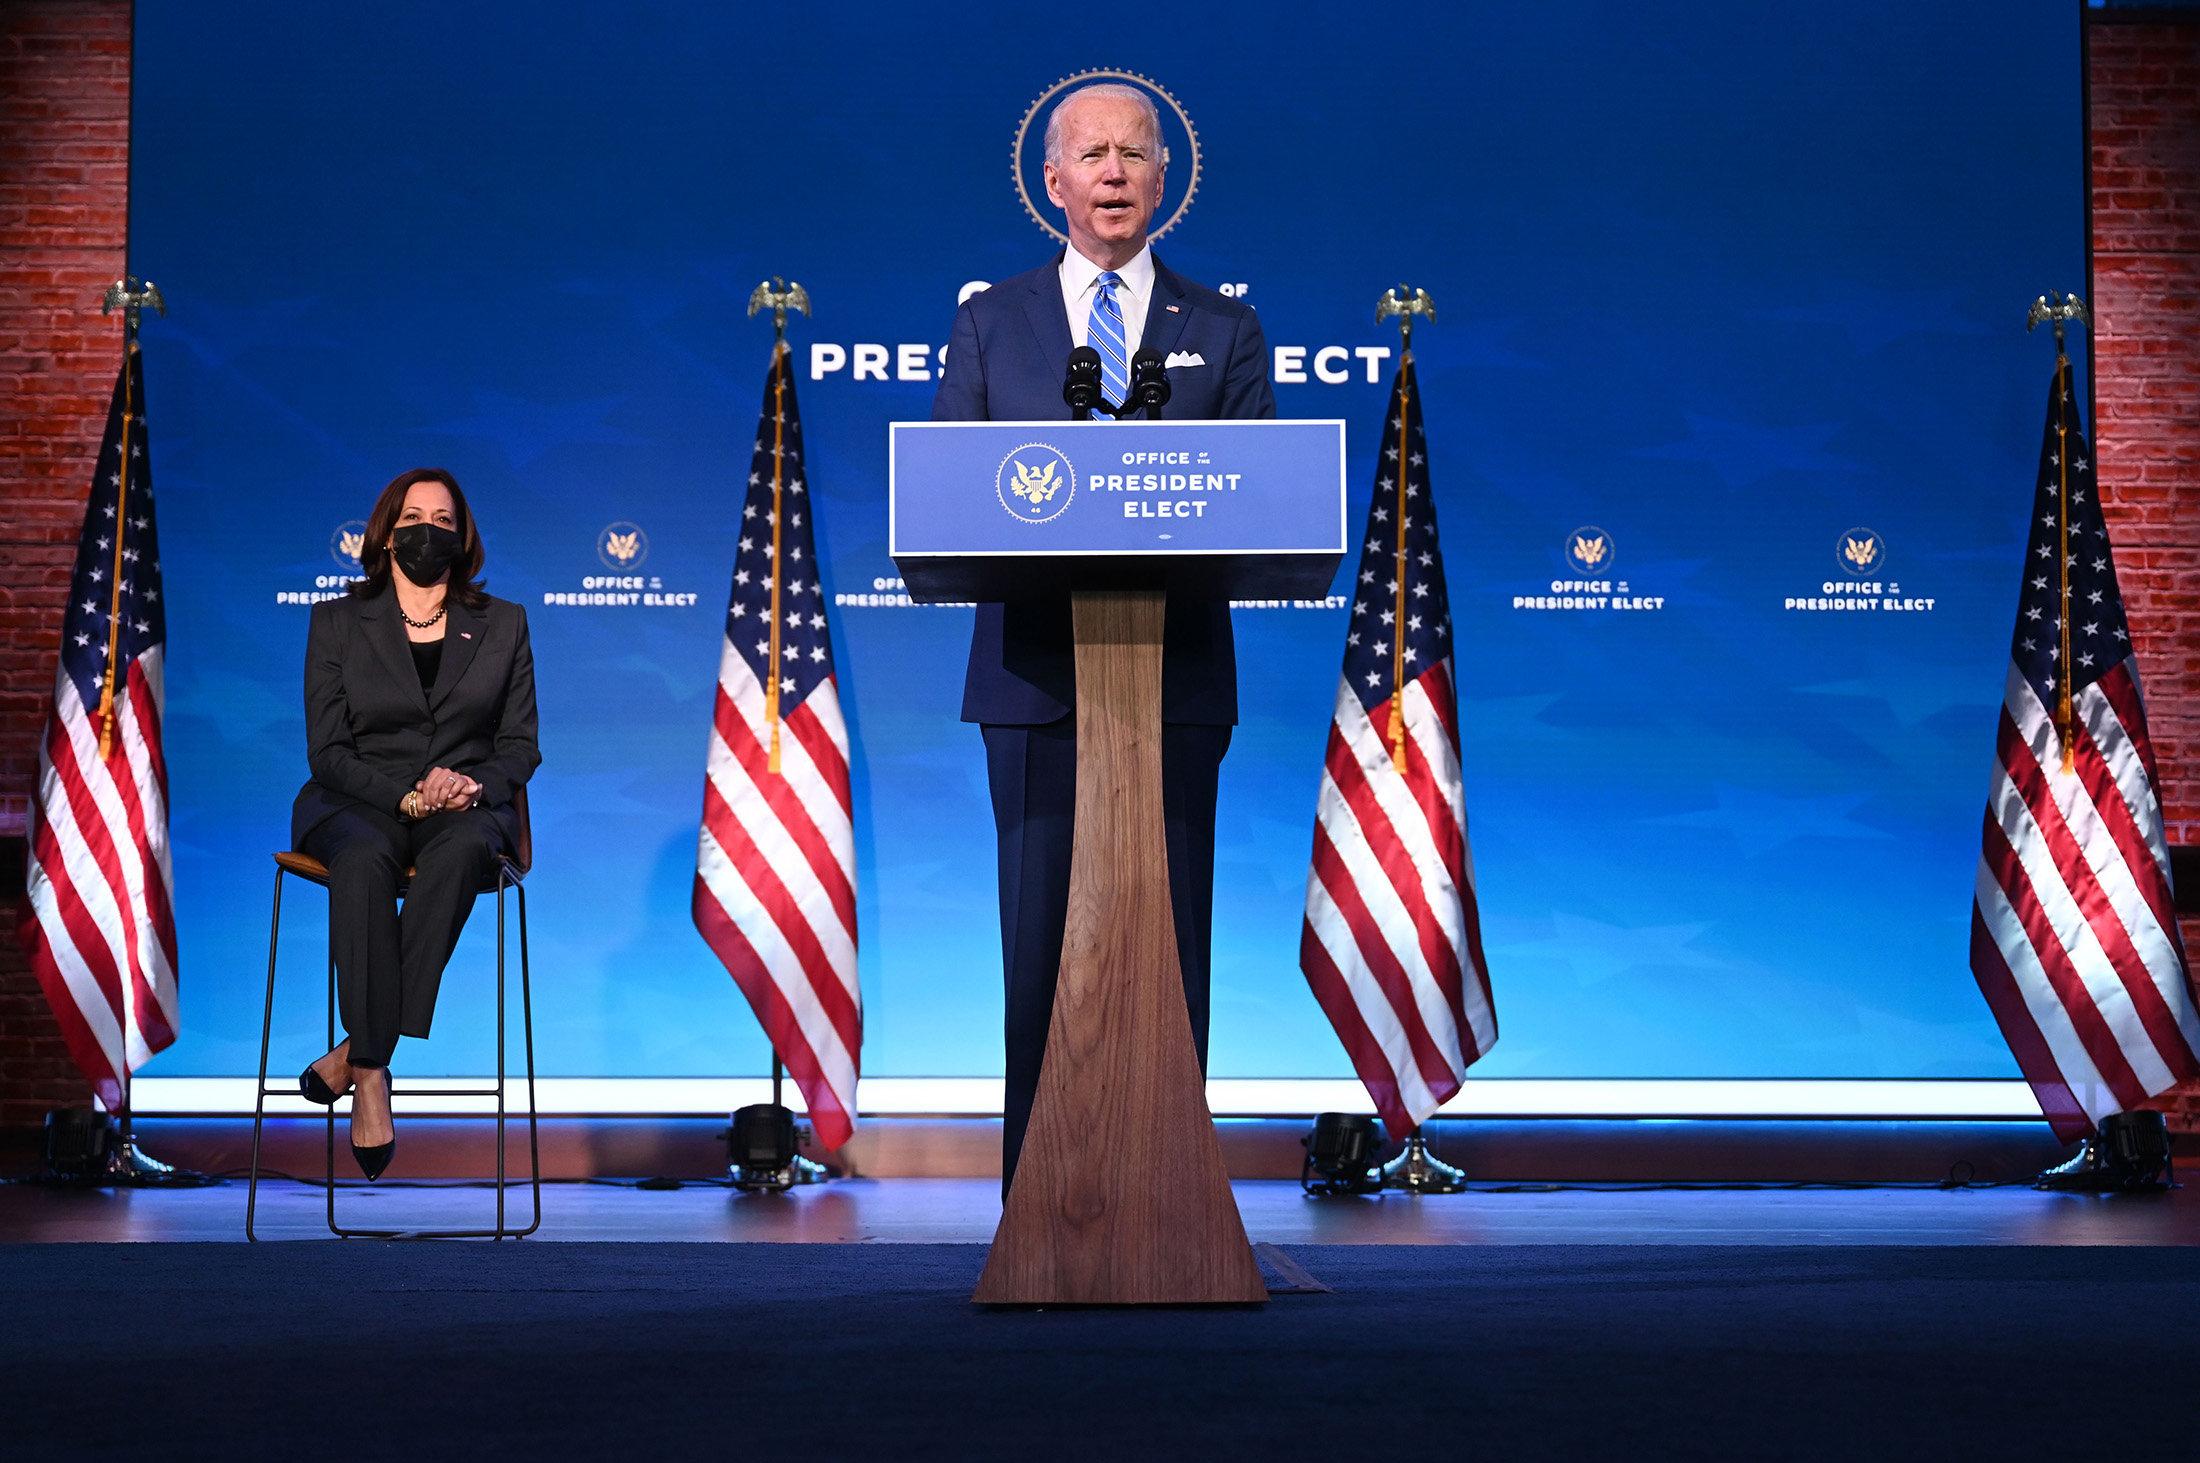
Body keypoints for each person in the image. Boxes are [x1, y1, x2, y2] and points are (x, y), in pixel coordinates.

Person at [931, 82, 1275, 1191]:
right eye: (1093, 154)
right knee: (1040, 947)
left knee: (1169, 949)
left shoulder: (1222, 327)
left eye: (1136, 153)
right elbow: (952, 490)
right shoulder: (992, 321)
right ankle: (1038, 1197)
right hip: (1033, 680)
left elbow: (1259, 496)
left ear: (1164, 180)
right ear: (1054, 184)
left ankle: (1169, 1189)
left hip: (1172, 680)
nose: (1115, 171)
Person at [290, 467, 540, 1179]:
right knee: (363, 860)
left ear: (462, 537)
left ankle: (361, 1055)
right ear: (386, 530)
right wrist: (402, 796)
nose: (427, 529)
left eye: (443, 518)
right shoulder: (336, 620)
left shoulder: (505, 623)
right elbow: (328, 749)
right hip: (357, 800)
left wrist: (470, 783)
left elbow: (521, 744)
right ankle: (370, 1074)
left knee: (463, 850)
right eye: (413, 516)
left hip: (462, 806)